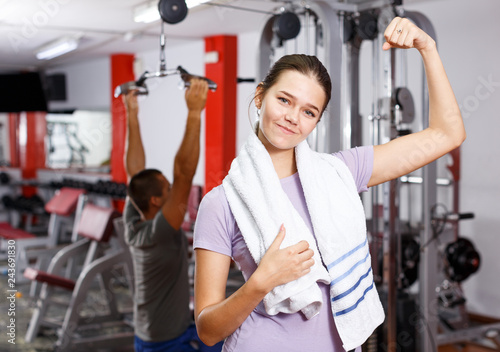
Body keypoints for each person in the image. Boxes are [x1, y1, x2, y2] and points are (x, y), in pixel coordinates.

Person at [193, 17, 466, 352]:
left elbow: (446, 134)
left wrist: (428, 49)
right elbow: (207, 330)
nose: (293, 117)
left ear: (317, 121)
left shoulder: (340, 173)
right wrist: (260, 283)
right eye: (284, 100)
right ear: (260, 95)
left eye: (309, 112)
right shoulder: (222, 203)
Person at [123, 78, 222, 352]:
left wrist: (132, 113)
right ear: (156, 200)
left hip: (158, 331)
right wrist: (194, 112)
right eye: (167, 189)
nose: (173, 190)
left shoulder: (135, 219)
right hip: (165, 341)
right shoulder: (160, 231)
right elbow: (184, 175)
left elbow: (135, 173)